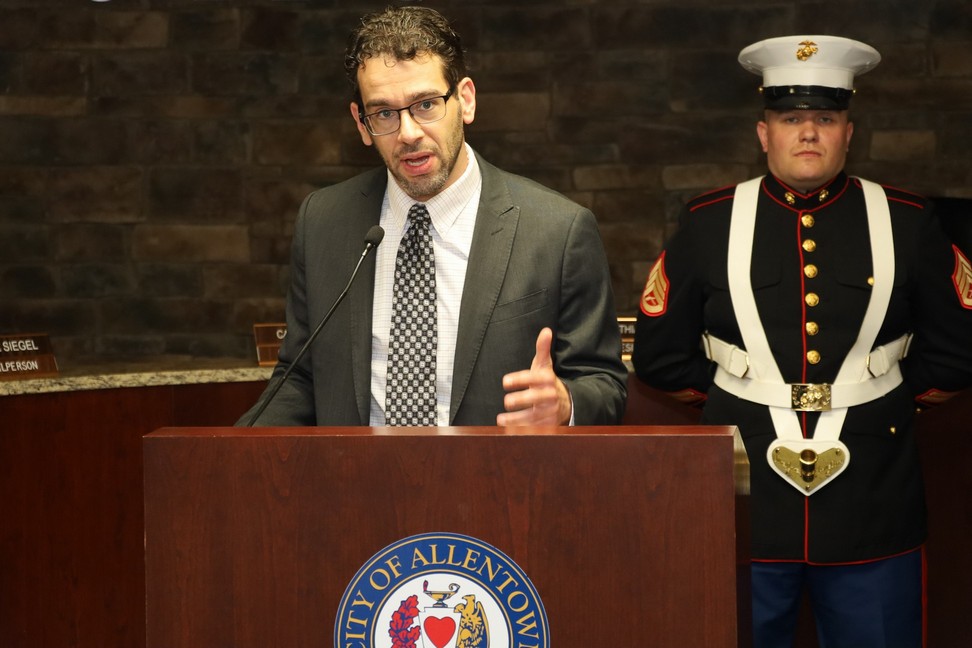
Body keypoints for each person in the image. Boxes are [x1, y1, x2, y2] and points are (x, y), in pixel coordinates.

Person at [632, 35, 972, 646]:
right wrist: (734, 404)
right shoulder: (708, 223)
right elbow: (660, 354)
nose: (809, 132)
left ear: (849, 132)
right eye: (791, 119)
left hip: (875, 501)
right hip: (745, 505)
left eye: (825, 119)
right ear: (764, 134)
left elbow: (957, 350)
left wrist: (885, 404)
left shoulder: (909, 221)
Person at [239, 6, 626, 428]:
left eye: (425, 105)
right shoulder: (323, 222)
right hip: (355, 469)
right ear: (361, 123)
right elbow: (299, 378)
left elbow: (604, 384)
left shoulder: (558, 230)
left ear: (466, 100)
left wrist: (566, 405)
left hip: (496, 469)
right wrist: (229, 452)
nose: (408, 133)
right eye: (384, 113)